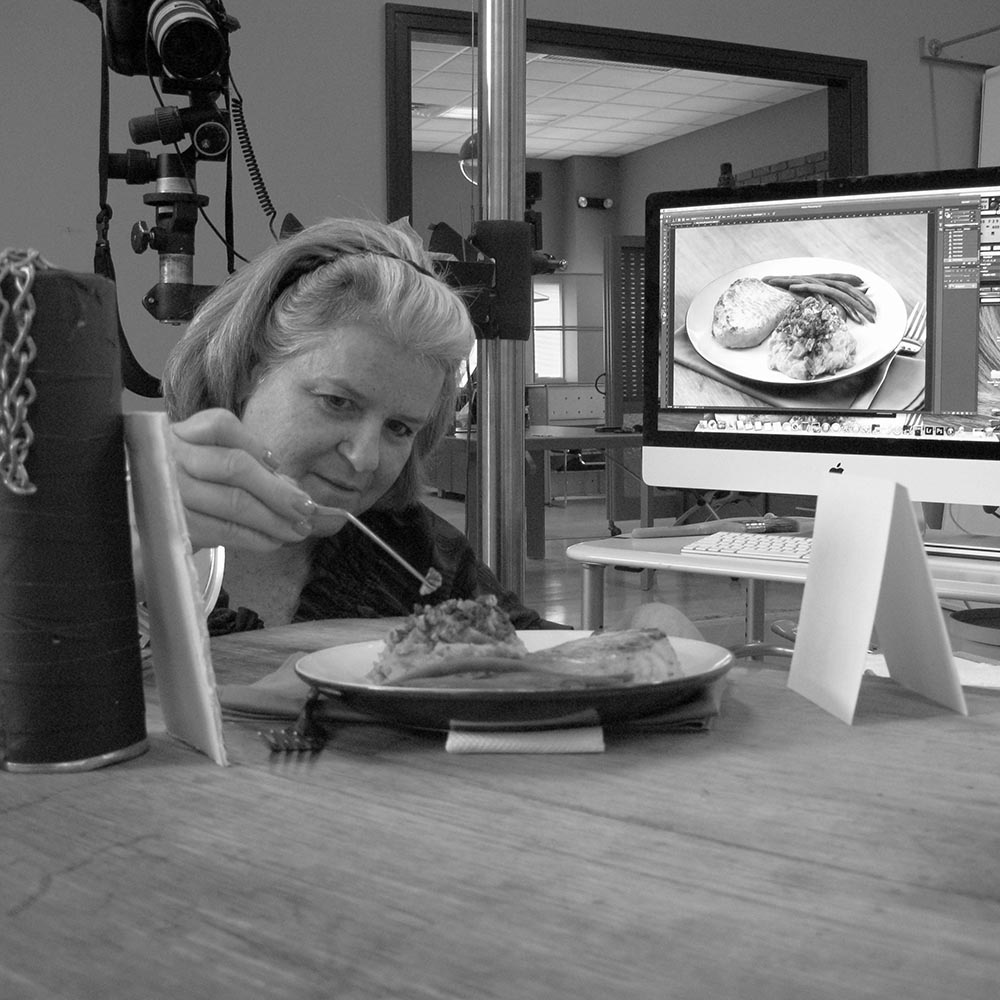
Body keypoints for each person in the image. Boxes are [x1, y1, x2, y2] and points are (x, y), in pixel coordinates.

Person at [161, 217, 563, 634]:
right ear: (248, 370)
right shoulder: (127, 525)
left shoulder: (420, 555)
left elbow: (551, 660)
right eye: (338, 403)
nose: (365, 459)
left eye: (400, 429)